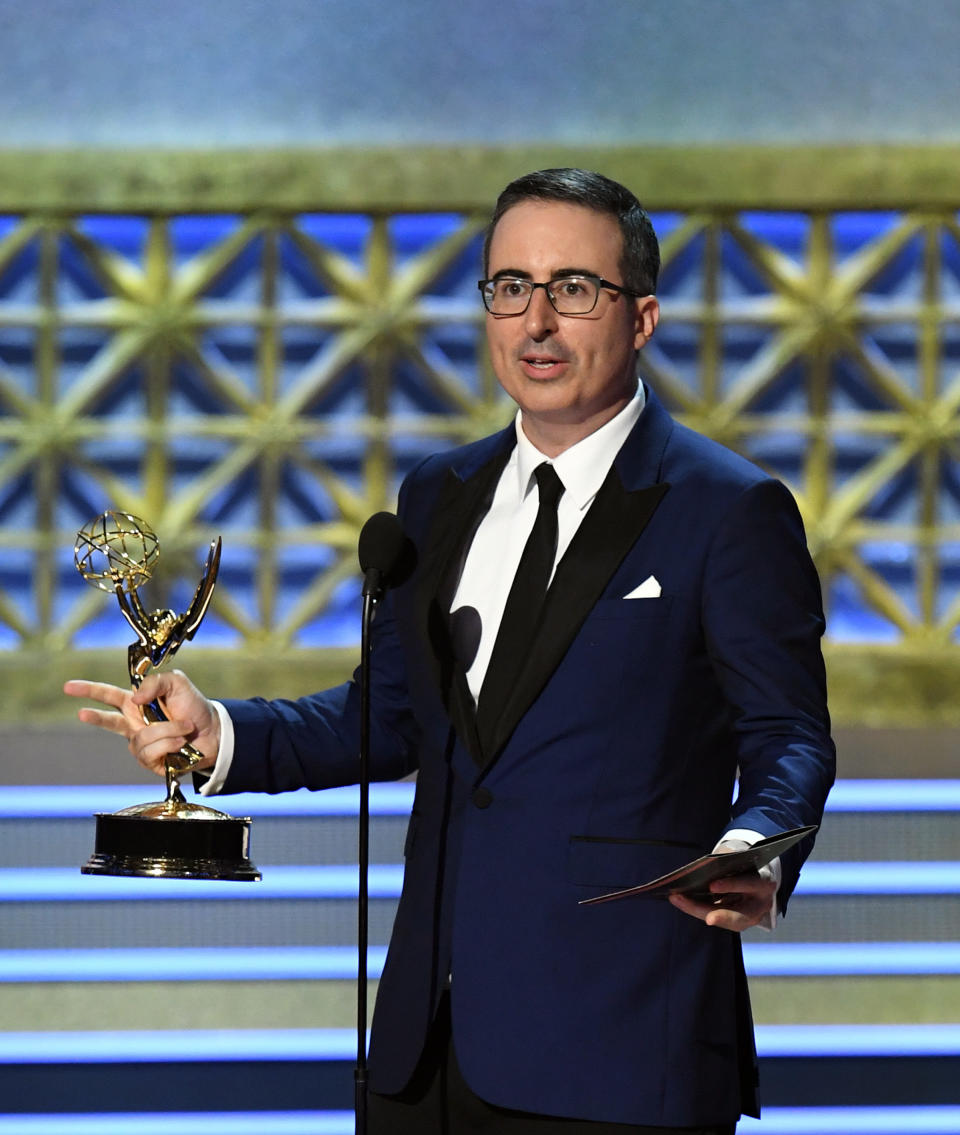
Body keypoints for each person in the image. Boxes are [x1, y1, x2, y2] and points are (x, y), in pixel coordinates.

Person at [66, 168, 835, 1134]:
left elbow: (789, 734)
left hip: (625, 1049)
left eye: (572, 289)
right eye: (510, 287)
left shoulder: (728, 511)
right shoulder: (440, 494)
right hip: (426, 1051)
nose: (537, 321)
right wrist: (214, 732)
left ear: (640, 317)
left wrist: (753, 845)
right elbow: (389, 716)